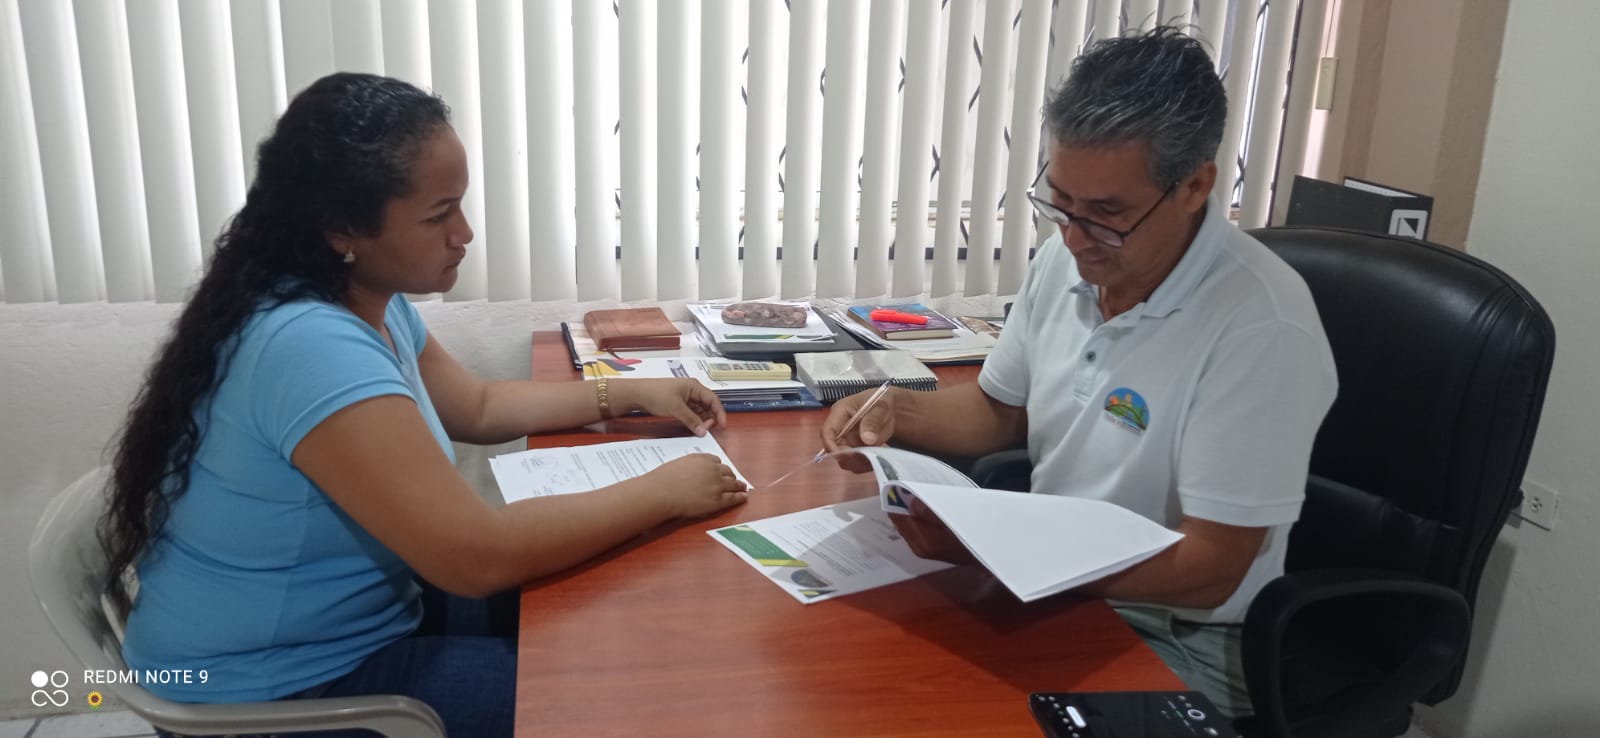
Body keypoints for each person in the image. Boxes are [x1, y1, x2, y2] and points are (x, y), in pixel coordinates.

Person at [101, 72, 749, 738]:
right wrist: (663, 490)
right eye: (439, 215)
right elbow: (476, 559)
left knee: (613, 619)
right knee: (612, 697)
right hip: (270, 693)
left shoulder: (365, 300)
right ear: (343, 228)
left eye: (460, 206)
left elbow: (479, 406)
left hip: (351, 625)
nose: (464, 232)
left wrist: (628, 391)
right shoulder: (309, 345)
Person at [819, 27, 1337, 718]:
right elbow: (1000, 413)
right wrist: (891, 409)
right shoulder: (1069, 259)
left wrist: (993, 557)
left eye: (1107, 213)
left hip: (1184, 635)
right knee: (853, 673)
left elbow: (1211, 571)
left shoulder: (1261, 326)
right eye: (1060, 201)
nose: (1072, 235)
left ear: (1195, 186)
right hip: (1053, 587)